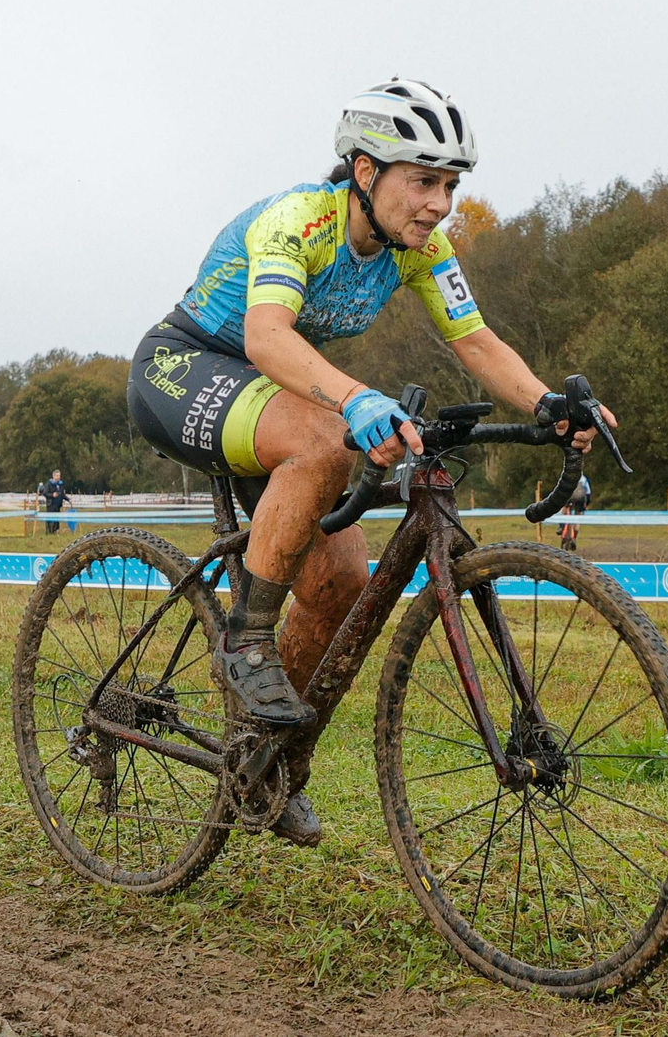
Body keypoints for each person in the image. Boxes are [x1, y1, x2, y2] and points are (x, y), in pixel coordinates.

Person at [126, 79, 615, 848]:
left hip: (276, 392)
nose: (439, 203)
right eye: (423, 181)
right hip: (188, 369)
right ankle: (243, 645)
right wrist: (355, 399)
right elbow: (265, 339)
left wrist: (548, 403)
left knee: (343, 588)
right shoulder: (301, 221)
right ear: (363, 171)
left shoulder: (422, 252)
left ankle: (265, 752)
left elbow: (476, 340)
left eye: (450, 185)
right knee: (327, 435)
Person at [558, 472, 592, 553]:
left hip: (569, 496)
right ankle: (574, 536)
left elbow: (561, 489)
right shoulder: (583, 478)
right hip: (581, 496)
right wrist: (586, 505)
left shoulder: (566, 474)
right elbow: (588, 493)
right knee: (578, 515)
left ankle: (561, 527)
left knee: (564, 510)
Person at [39, 470, 68, 534]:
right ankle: (49, 531)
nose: (58, 477)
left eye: (59, 475)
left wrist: (68, 499)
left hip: (58, 504)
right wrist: (52, 495)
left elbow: (62, 494)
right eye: (57, 475)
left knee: (56, 518)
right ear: (53, 476)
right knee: (50, 518)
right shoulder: (49, 484)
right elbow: (45, 493)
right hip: (51, 504)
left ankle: (55, 530)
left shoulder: (60, 484)